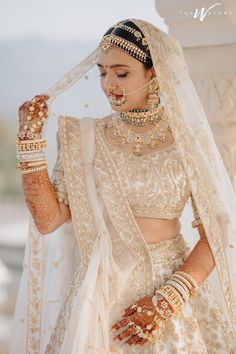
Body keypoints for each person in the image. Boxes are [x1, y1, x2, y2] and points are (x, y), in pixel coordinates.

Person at [11, 19, 236, 353]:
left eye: (121, 73)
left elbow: (215, 232)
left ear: (154, 72)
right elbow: (48, 219)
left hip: (170, 294)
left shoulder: (187, 143)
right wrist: (30, 141)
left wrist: (165, 302)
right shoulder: (84, 139)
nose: (108, 85)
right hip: (98, 297)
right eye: (102, 73)